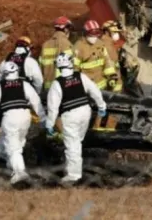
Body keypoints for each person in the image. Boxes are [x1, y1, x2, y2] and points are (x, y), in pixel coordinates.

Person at [45, 51, 107, 184]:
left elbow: (53, 107)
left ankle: (73, 175)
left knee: (72, 145)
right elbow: (95, 91)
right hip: (85, 111)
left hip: (70, 115)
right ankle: (73, 168)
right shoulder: (81, 76)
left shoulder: (57, 84)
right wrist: (102, 107)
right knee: (77, 142)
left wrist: (49, 124)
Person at [0, 61, 45, 185]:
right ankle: (9, 165)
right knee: (18, 142)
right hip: (25, 117)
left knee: (13, 148)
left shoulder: (0, 86)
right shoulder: (24, 84)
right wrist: (43, 118)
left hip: (10, 118)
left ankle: (20, 172)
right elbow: (35, 100)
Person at [73, 19, 117, 92]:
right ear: (86, 33)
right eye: (92, 33)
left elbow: (107, 61)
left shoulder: (100, 44)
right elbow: (74, 69)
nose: (94, 36)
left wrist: (111, 76)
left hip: (102, 88)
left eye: (97, 33)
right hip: (87, 89)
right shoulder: (79, 47)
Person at [39, 17, 75, 91]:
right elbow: (72, 65)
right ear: (66, 29)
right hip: (64, 86)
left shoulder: (45, 45)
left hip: (48, 87)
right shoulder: (67, 44)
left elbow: (40, 67)